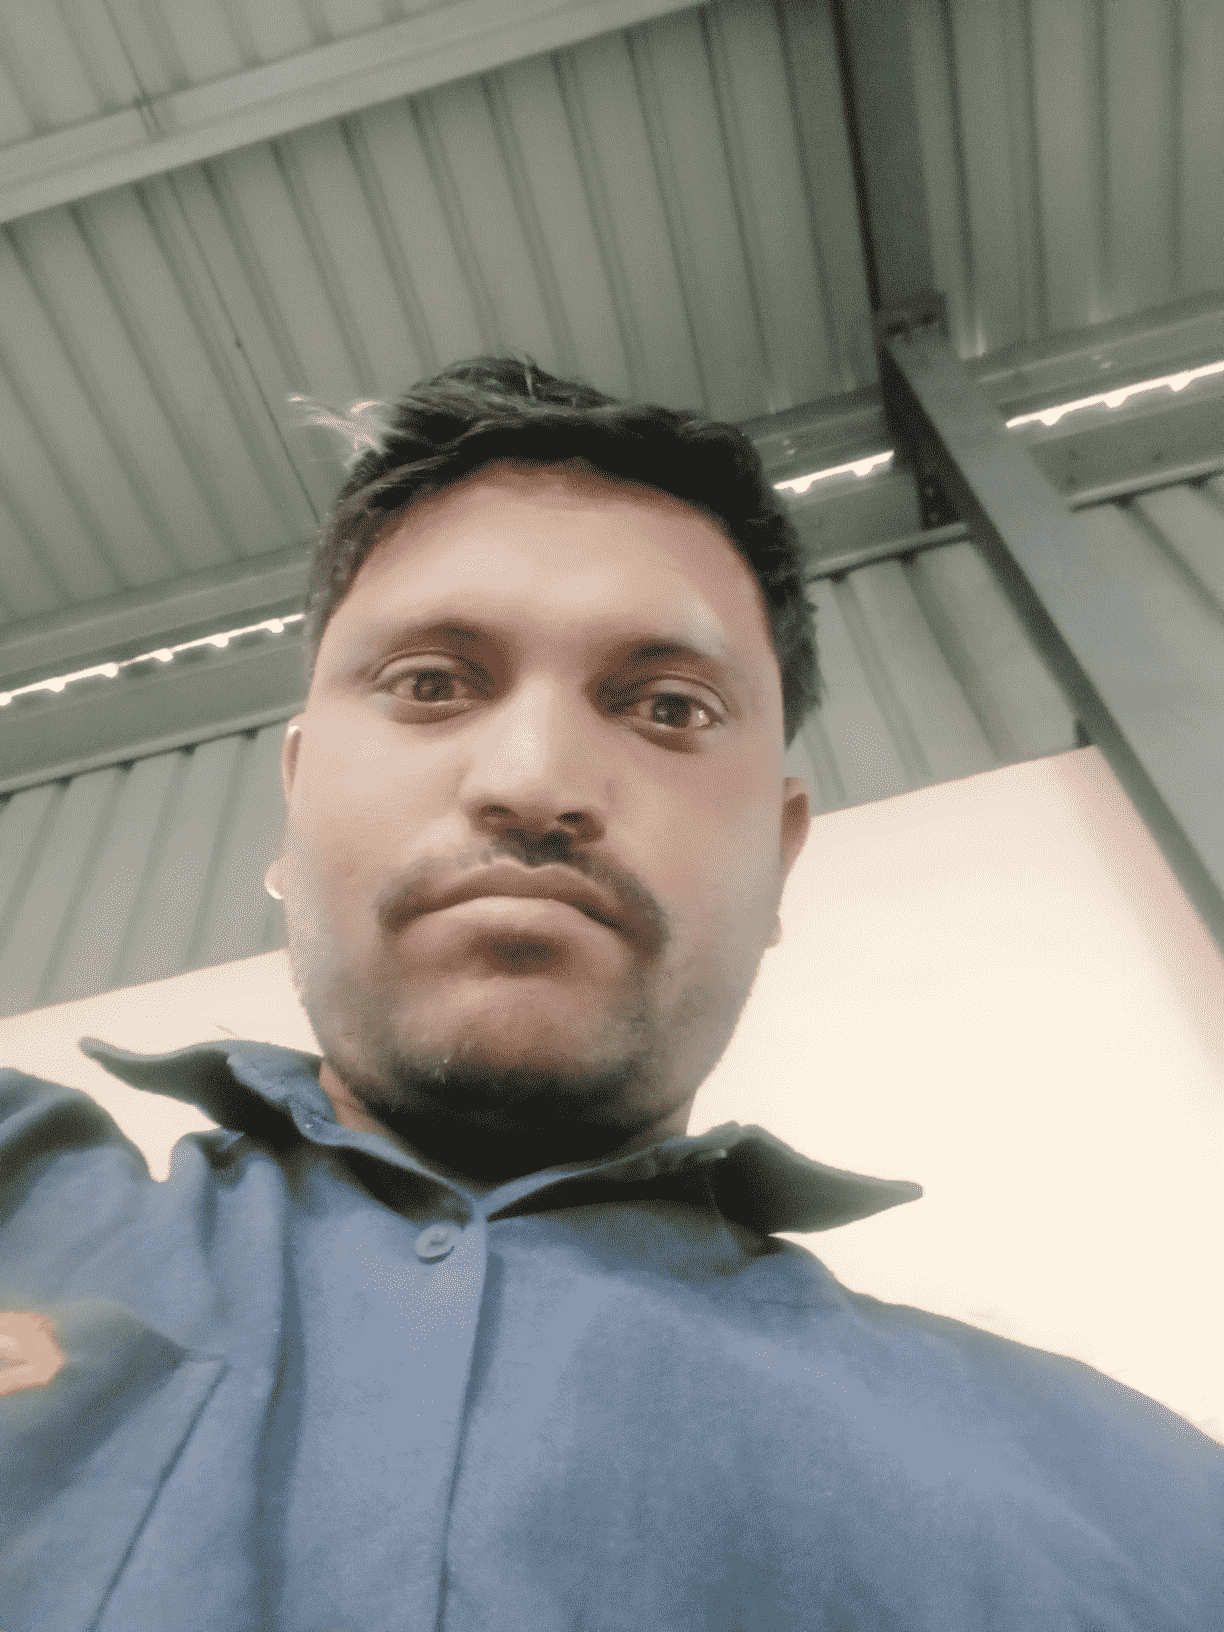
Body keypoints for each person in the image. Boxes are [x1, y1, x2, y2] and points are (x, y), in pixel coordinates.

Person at [1, 357, 1220, 1632]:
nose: (534, 783)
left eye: (671, 707)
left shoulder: (1160, 1521)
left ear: (780, 856)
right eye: (430, 682)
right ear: (295, 799)